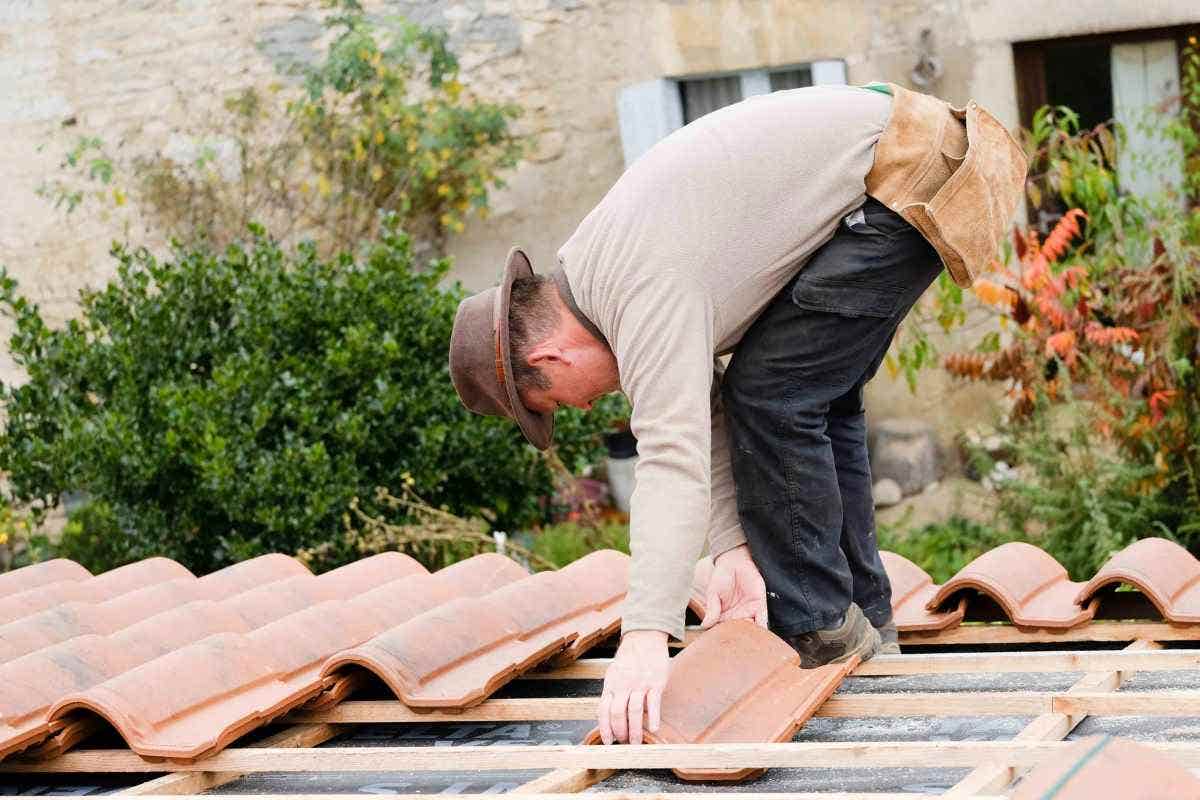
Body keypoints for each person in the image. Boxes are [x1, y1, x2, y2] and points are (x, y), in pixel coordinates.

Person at [448, 82, 1026, 747]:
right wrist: (733, 550)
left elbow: (671, 457)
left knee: (775, 389)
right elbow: (708, 405)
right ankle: (864, 621)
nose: (584, 406)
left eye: (558, 401)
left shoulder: (638, 287)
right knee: (807, 394)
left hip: (911, 171)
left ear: (550, 357)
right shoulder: (603, 279)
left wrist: (644, 637)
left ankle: (820, 629)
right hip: (921, 161)